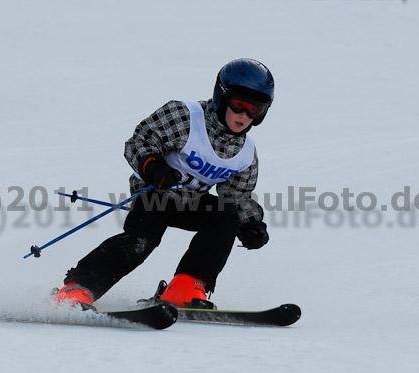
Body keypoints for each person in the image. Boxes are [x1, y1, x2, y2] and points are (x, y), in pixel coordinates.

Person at [53, 58, 274, 310]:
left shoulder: (245, 152)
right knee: (141, 242)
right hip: (155, 193)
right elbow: (140, 143)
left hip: (192, 204)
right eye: (239, 105)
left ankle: (185, 287)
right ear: (221, 96)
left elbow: (238, 196)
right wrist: (153, 168)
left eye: (254, 110)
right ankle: (77, 289)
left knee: (226, 215)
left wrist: (251, 224)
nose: (244, 116)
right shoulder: (185, 117)